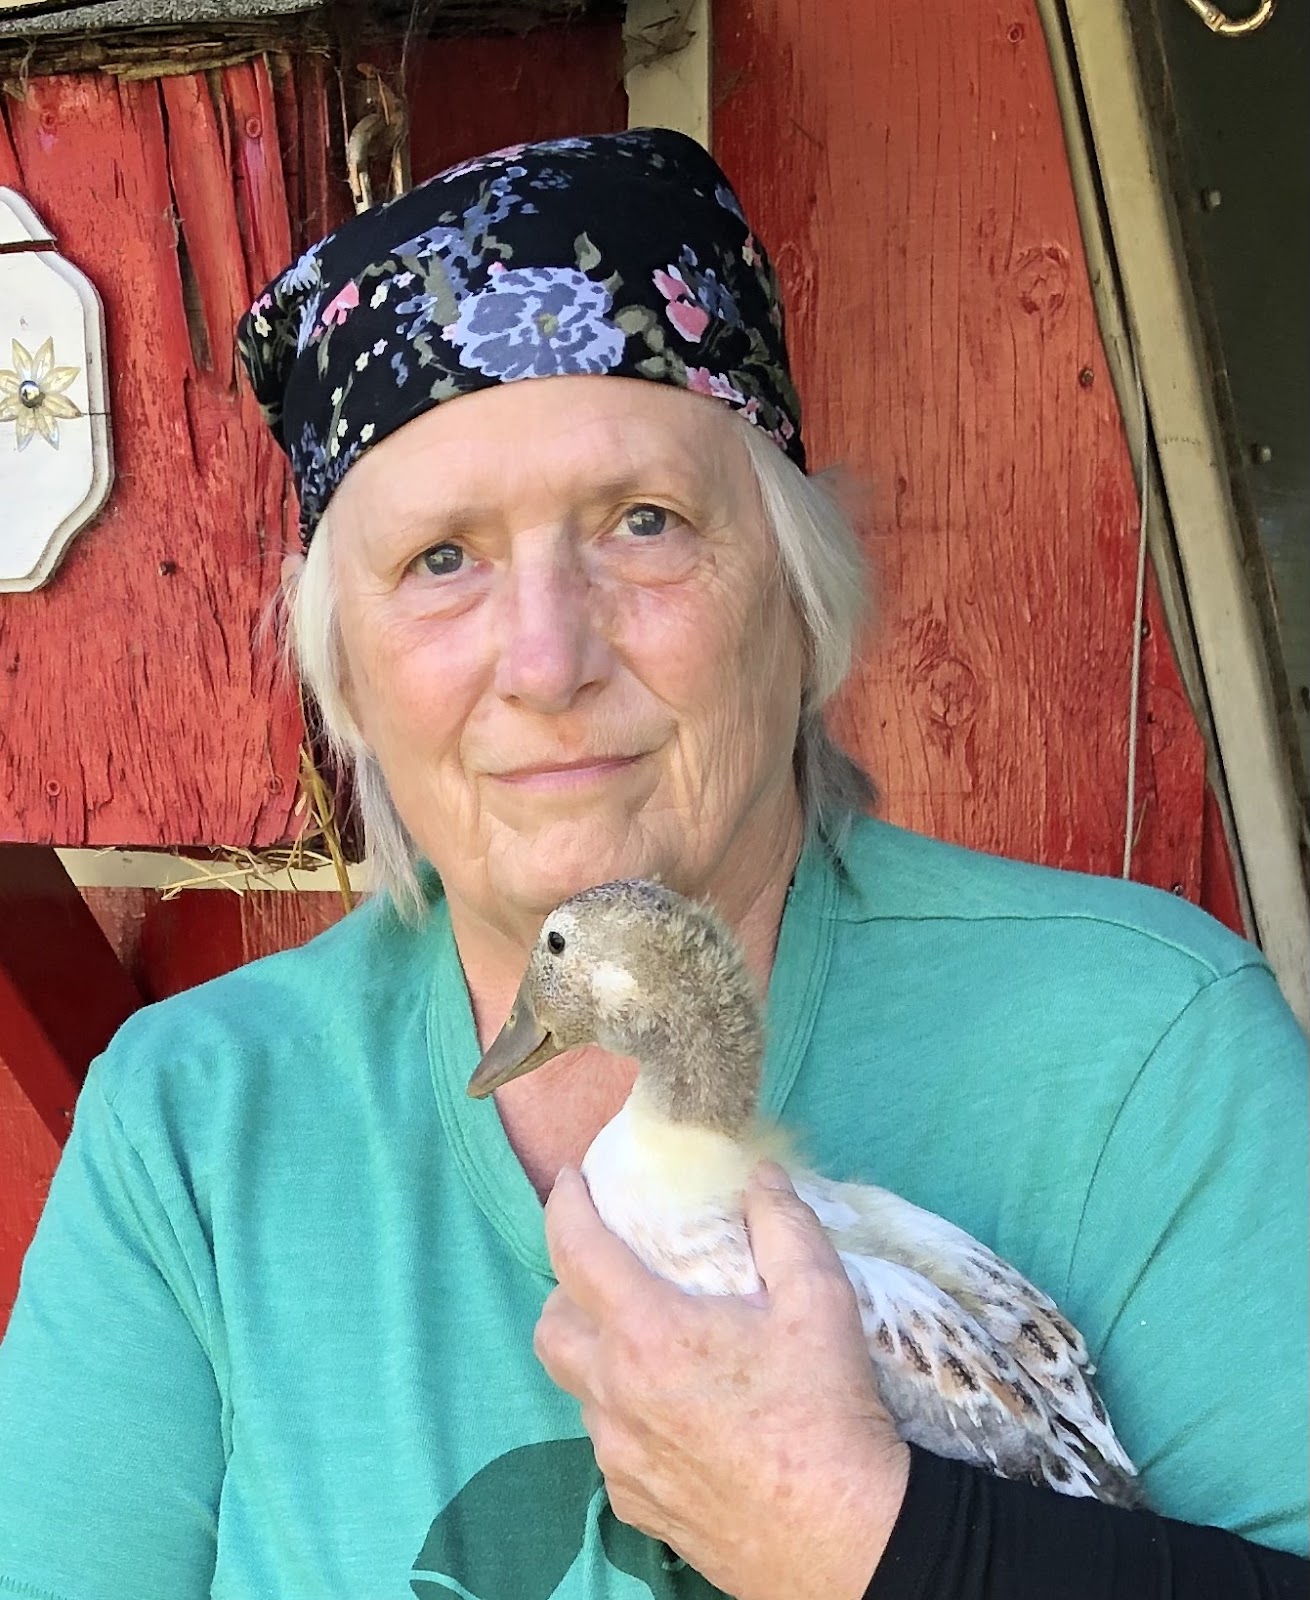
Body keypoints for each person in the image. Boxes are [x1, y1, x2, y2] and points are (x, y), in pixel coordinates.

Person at [0, 129, 1305, 1600]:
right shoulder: (198, 1121)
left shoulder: (1140, 1048)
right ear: (346, 681)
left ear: (802, 607)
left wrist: (873, 1541)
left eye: (642, 524)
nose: (547, 660)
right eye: (442, 559)